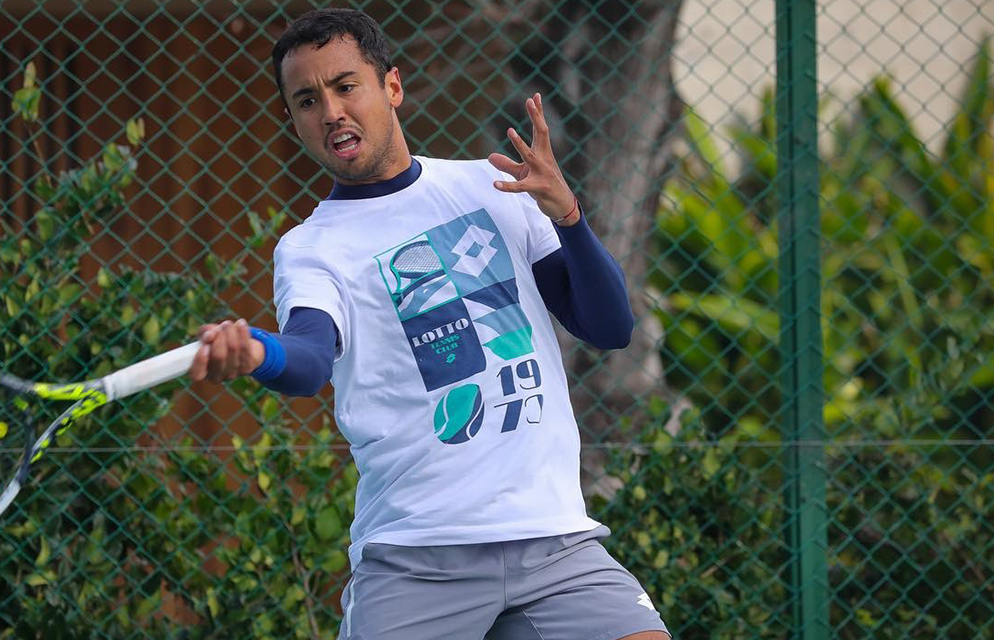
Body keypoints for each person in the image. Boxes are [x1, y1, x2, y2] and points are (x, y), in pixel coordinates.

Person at [187, 8, 670, 640]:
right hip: (419, 560)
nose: (330, 110)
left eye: (345, 85)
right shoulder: (311, 249)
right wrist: (257, 353)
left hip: (555, 544)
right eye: (307, 100)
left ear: (391, 86)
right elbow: (309, 359)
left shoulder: (492, 189)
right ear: (296, 120)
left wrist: (568, 218)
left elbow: (608, 327)